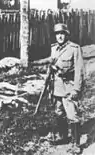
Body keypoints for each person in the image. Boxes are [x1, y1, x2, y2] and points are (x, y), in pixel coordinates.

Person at [31, 23, 84, 153]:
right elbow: (52, 63)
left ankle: (76, 144)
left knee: (72, 114)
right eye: (57, 34)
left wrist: (76, 89)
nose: (59, 36)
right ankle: (64, 137)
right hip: (56, 87)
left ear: (67, 34)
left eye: (62, 33)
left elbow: (79, 71)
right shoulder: (54, 48)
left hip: (69, 86)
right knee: (59, 113)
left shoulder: (74, 48)